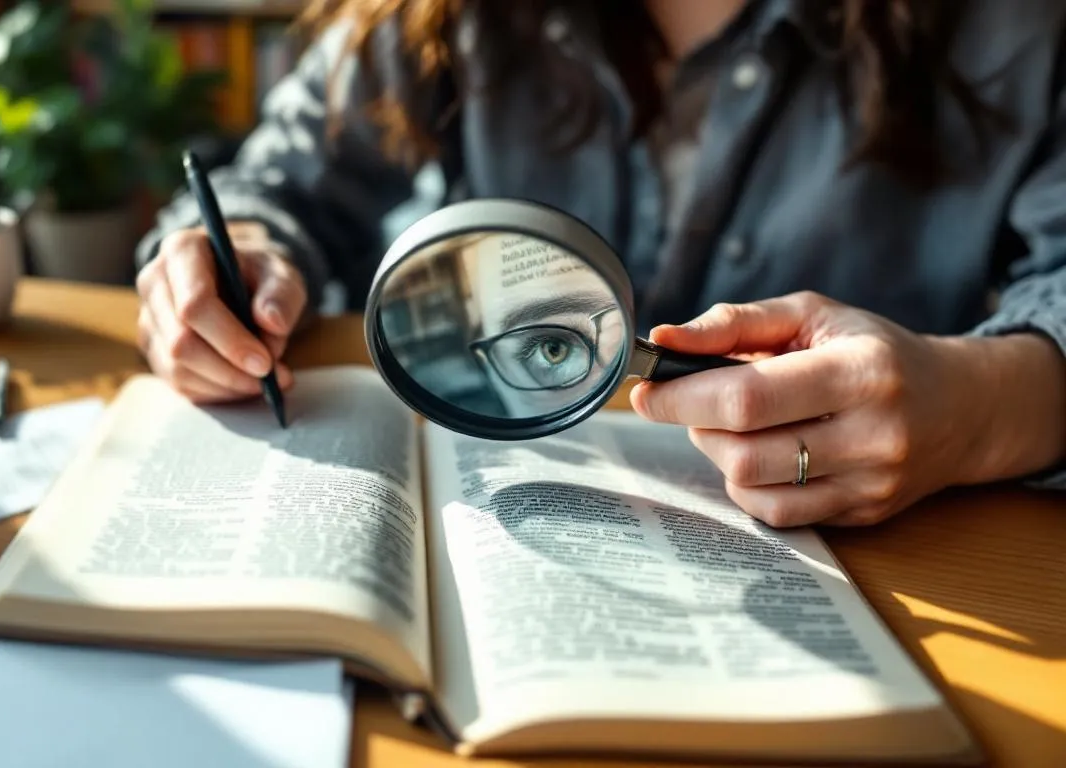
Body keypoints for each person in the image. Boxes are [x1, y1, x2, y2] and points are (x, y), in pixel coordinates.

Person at [133, 0, 1066, 528]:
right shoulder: (436, 16)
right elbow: (271, 187)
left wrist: (979, 408)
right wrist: (234, 256)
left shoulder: (1011, 27)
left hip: (909, 571)